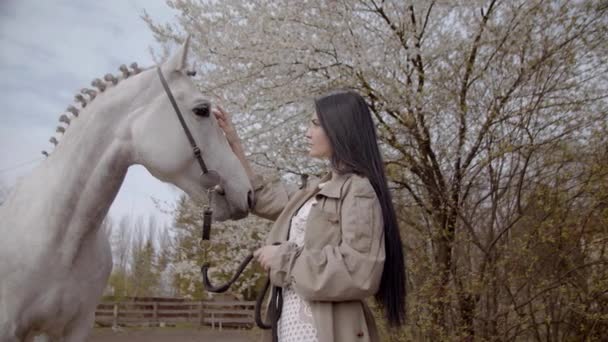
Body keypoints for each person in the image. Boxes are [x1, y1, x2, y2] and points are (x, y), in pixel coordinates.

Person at [213, 90, 406, 342]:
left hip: (326, 331)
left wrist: (285, 259)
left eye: (315, 124)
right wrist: (233, 142)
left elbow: (360, 270)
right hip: (287, 326)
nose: (307, 132)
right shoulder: (315, 189)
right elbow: (261, 197)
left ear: (340, 129)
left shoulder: (358, 190)